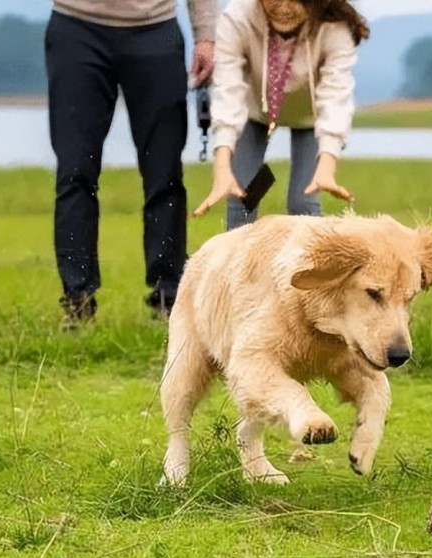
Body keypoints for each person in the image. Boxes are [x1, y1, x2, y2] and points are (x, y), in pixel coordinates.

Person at [45, 0, 216, 328]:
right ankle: (77, 302)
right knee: (75, 171)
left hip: (156, 30)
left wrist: (206, 36)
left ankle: (168, 299)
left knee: (164, 173)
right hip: (76, 28)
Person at [193, 0, 369, 228]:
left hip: (311, 118)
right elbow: (229, 90)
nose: (284, 8)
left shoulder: (334, 26)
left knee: (302, 203)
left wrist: (327, 165)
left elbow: (335, 97)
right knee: (241, 197)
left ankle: (307, 264)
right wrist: (222, 166)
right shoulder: (237, 17)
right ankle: (237, 263)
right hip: (254, 112)